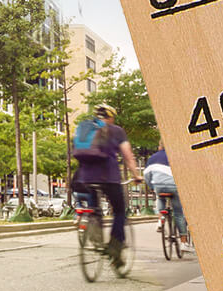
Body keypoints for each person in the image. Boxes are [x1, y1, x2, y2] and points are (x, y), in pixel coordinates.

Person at [74, 104, 143, 258]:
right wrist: (136, 175)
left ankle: (94, 232)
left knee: (94, 209)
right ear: (110, 117)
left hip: (87, 177)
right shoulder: (117, 130)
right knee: (119, 211)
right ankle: (115, 245)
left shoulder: (84, 128)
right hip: (109, 177)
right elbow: (128, 156)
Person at [143, 148, 187, 245]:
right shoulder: (178, 156)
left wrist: (152, 187)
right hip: (174, 186)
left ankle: (161, 218)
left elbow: (146, 175)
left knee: (160, 197)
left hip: (158, 186)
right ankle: (184, 243)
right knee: (178, 213)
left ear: (159, 147)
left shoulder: (152, 158)